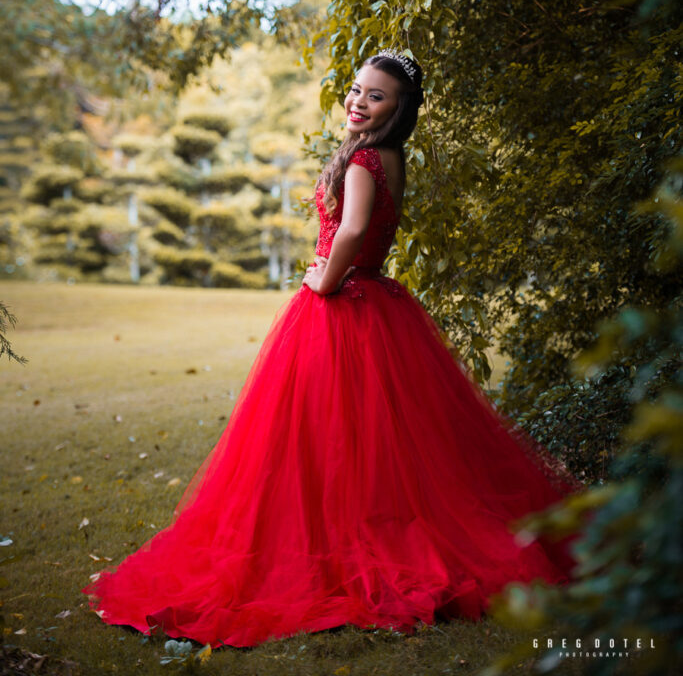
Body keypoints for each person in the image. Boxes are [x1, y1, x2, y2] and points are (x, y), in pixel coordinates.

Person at [83, 50, 583, 649]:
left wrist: (322, 280)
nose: (358, 101)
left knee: (320, 436)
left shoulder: (367, 158)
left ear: (399, 109)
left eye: (376, 96)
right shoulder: (390, 158)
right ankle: (362, 528)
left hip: (343, 306)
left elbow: (350, 229)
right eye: (355, 90)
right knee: (374, 439)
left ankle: (337, 544)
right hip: (378, 303)